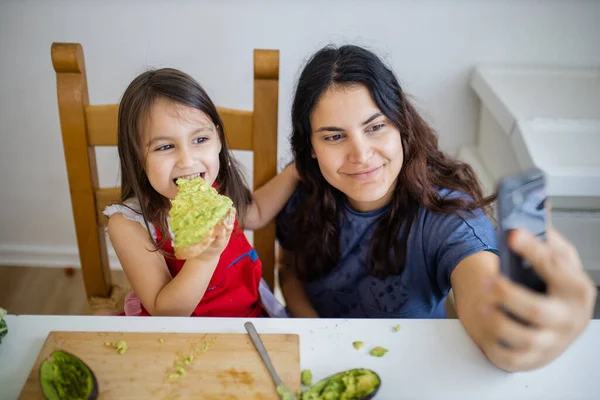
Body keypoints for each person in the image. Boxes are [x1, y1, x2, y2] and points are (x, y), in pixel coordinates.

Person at [276, 44, 596, 371]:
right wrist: (318, 335)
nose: (360, 154)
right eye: (333, 137)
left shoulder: (447, 217)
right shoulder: (303, 192)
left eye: (375, 127)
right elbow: (288, 270)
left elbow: (484, 302)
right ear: (311, 148)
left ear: (401, 123)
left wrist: (517, 333)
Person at [104, 68, 297, 318]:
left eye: (200, 140)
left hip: (246, 317)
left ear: (218, 139)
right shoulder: (129, 224)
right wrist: (204, 258)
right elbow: (165, 312)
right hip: (182, 336)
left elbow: (256, 213)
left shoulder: (219, 189)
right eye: (165, 146)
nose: (187, 160)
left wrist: (294, 172)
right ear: (138, 158)